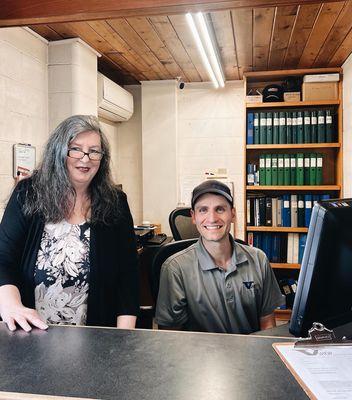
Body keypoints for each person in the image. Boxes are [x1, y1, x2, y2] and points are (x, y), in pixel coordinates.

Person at [0, 115, 140, 332]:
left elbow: (128, 276)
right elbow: (3, 259)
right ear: (58, 151)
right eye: (75, 148)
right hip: (31, 336)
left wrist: (123, 339)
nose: (85, 158)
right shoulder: (28, 193)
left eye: (94, 151)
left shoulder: (116, 202)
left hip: (96, 340)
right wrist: (11, 305)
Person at [155, 180, 284, 334]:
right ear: (193, 216)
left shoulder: (258, 260)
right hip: (197, 356)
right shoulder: (176, 268)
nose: (212, 218)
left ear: (233, 214)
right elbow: (170, 337)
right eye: (203, 210)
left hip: (249, 355)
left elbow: (267, 324)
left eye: (220, 209)